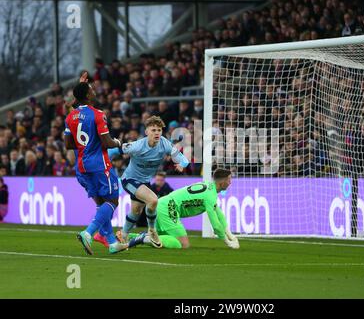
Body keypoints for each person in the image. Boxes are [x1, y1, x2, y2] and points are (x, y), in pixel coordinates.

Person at [64, 72, 138, 255]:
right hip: (99, 163)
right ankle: (88, 232)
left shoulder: (70, 117)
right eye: (91, 89)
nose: (94, 90)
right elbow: (106, 142)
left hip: (82, 164)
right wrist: (119, 143)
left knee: (101, 203)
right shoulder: (97, 114)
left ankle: (112, 242)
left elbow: (68, 144)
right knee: (112, 200)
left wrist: (85, 146)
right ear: (88, 95)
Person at [97, 116, 189, 248]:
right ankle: (152, 231)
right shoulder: (137, 146)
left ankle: (122, 235)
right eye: (153, 130)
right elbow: (113, 151)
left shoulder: (165, 144)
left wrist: (182, 164)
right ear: (146, 132)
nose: (157, 133)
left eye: (159, 130)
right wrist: (104, 165)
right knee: (153, 200)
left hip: (144, 182)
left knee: (135, 211)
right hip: (129, 180)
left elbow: (183, 159)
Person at [129, 168, 239, 249]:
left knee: (162, 237)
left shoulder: (209, 187)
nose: (230, 182)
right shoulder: (210, 195)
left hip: (163, 203)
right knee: (182, 244)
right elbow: (215, 225)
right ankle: (144, 238)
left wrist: (230, 234)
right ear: (222, 182)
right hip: (169, 207)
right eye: (229, 180)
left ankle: (128, 237)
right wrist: (228, 242)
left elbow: (218, 213)